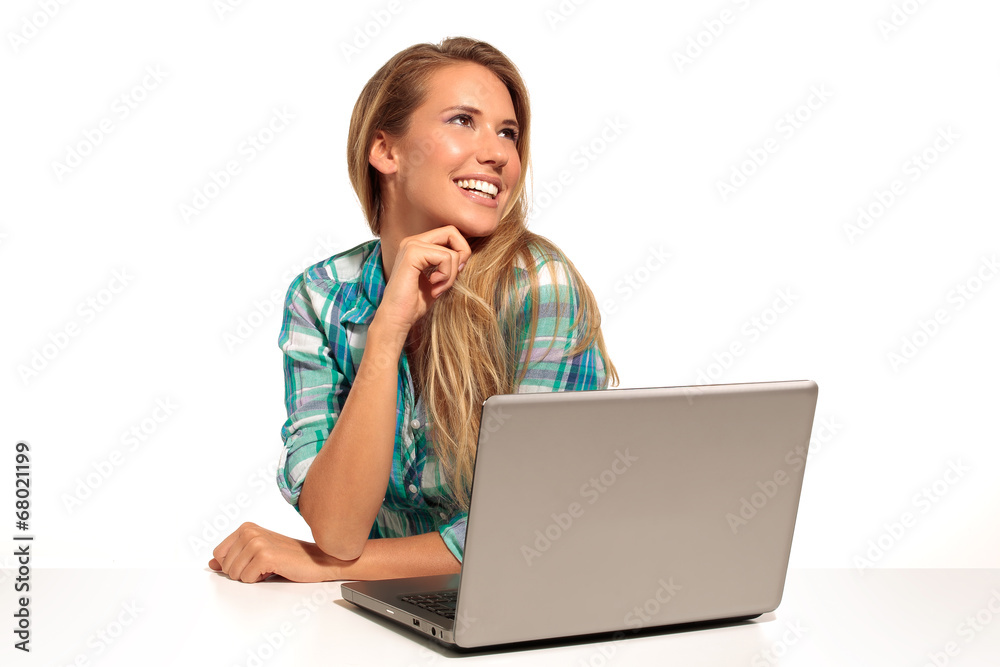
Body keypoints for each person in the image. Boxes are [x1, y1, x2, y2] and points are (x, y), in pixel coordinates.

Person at [208, 36, 618, 583]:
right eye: (462, 120)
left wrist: (320, 567)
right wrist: (387, 330)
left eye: (508, 132)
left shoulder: (539, 287)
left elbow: (531, 526)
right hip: (381, 623)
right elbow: (337, 528)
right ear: (386, 151)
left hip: (526, 608)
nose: (497, 152)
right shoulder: (322, 295)